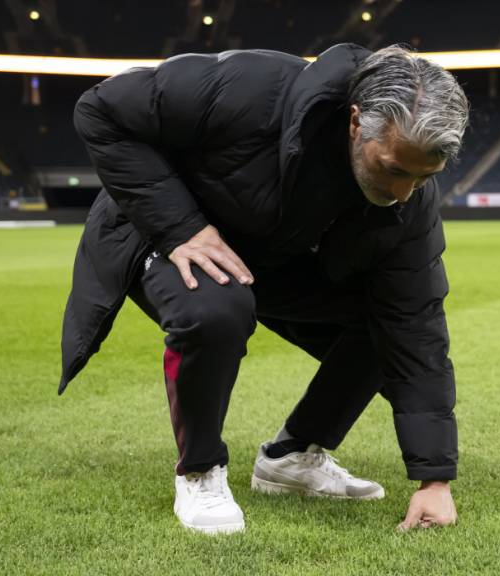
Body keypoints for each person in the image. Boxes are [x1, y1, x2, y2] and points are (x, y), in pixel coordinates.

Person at [58, 43, 468, 534]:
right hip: (158, 228)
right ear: (356, 122)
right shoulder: (248, 90)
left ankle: (293, 456)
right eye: (394, 170)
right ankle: (200, 471)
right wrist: (180, 227)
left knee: (387, 320)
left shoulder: (408, 203)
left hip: (270, 253)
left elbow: (415, 323)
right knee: (215, 308)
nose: (403, 193)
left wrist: (434, 480)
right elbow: (101, 108)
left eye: (424, 178)